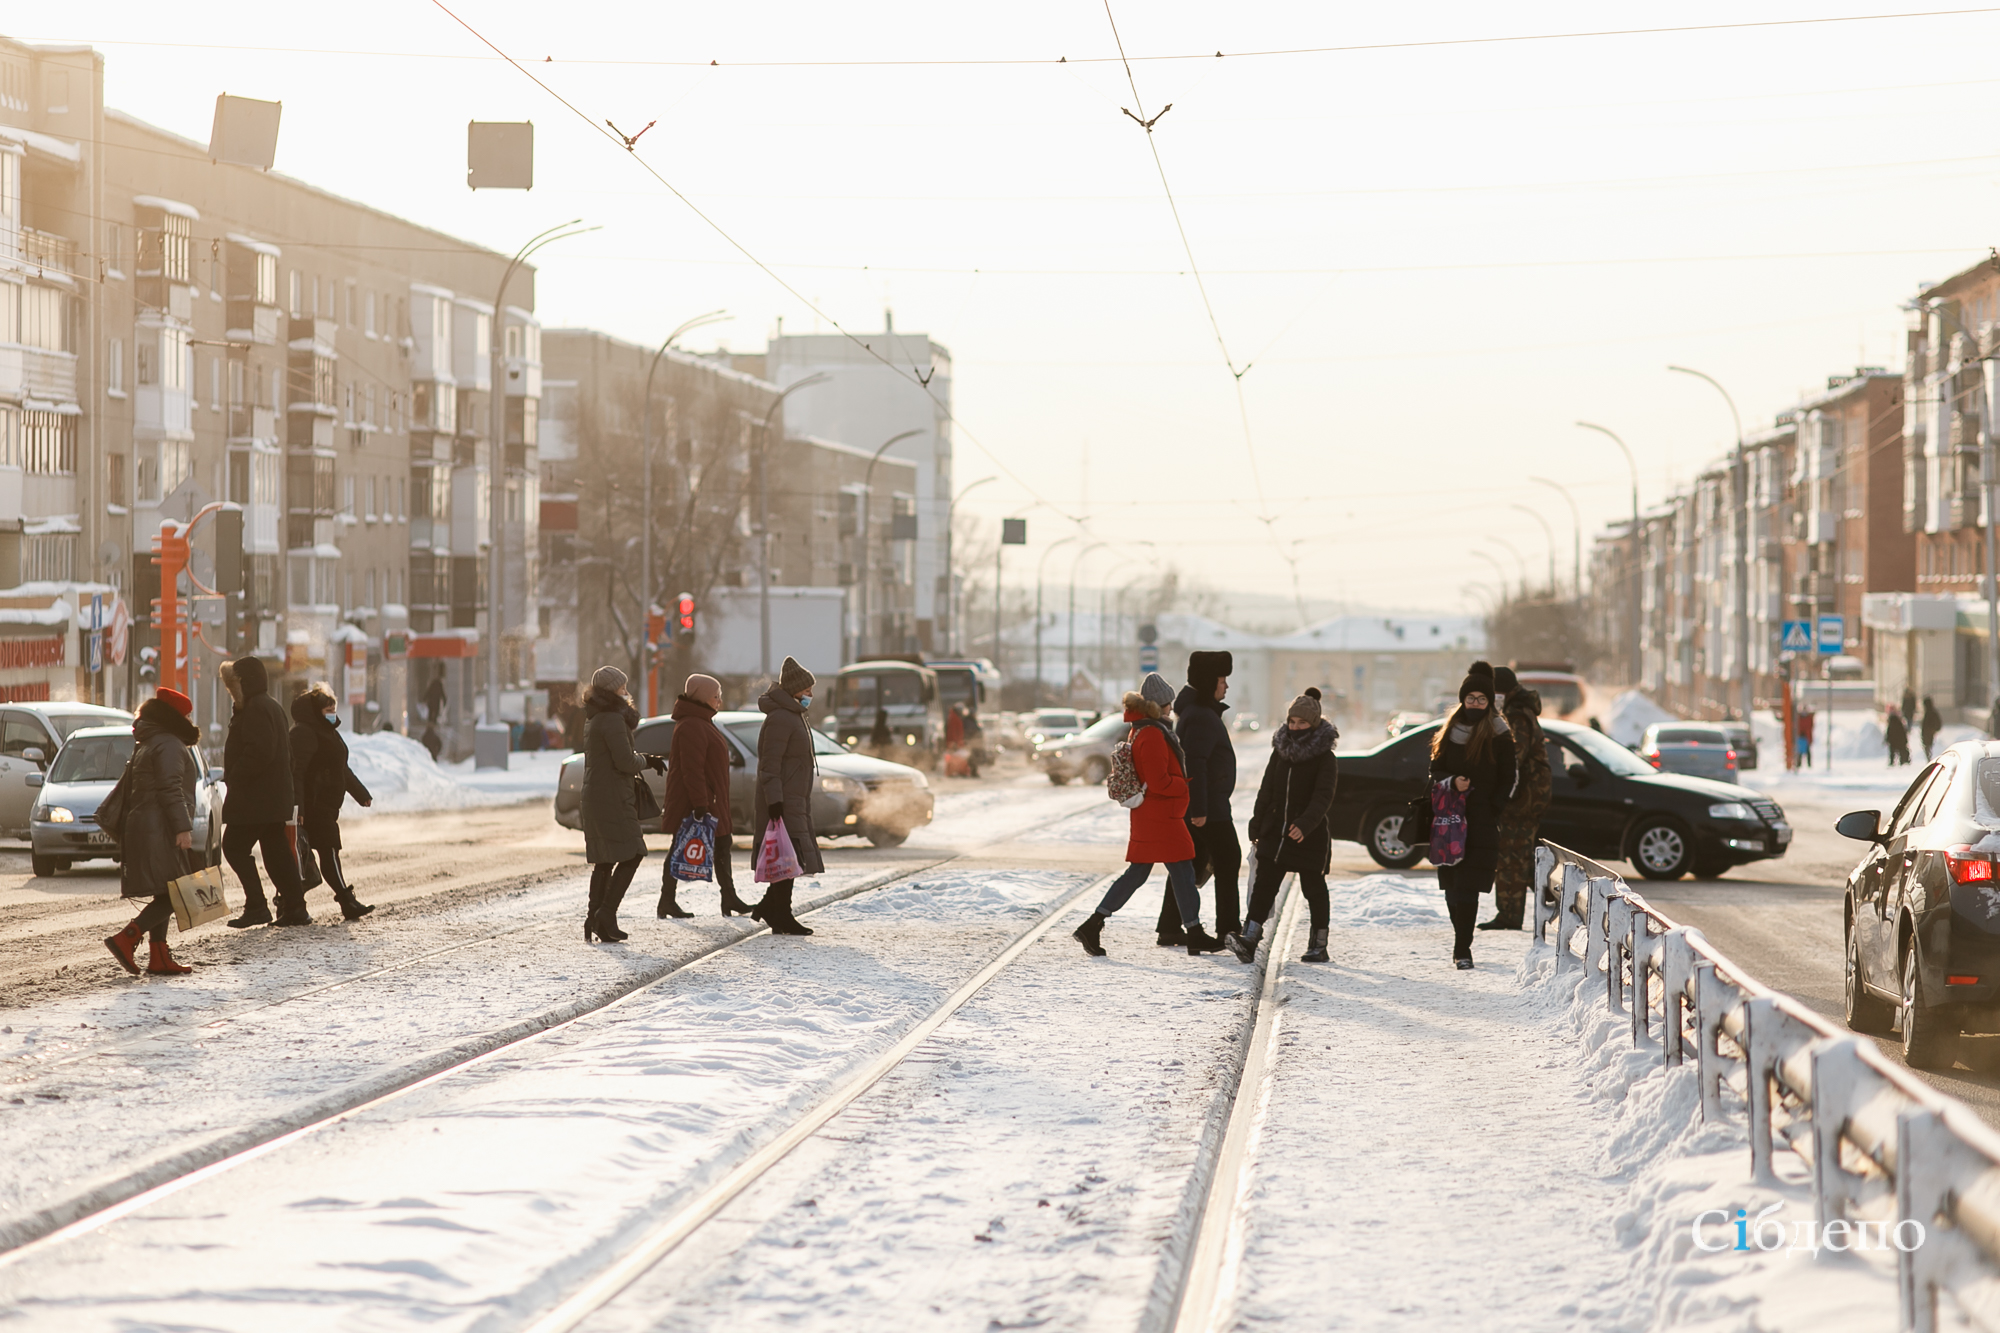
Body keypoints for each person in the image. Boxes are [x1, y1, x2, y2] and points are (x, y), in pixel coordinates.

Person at [1071, 673, 1225, 958]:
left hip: (1153, 815)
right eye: (1168, 703)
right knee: (1178, 871)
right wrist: (1184, 783)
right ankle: (1193, 933)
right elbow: (1159, 781)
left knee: (1154, 873)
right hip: (1160, 816)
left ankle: (1095, 924)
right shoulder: (1153, 733)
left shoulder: (1144, 729)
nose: (1171, 708)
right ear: (1160, 705)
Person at [1226, 688, 1338, 965]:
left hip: (1307, 834)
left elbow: (1323, 797)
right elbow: (1267, 789)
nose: (1296, 727)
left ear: (1313, 723)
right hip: (1276, 831)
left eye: (1302, 722)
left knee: (1313, 888)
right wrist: (1257, 821)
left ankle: (1318, 944)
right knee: (1265, 884)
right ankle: (1249, 939)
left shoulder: (1325, 758)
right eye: (1292, 722)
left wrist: (1305, 824)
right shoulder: (1280, 752)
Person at [103, 689, 201, 977]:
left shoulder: (150, 742)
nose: (188, 719)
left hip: (148, 827)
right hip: (159, 829)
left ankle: (158, 956)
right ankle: (127, 938)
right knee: (173, 894)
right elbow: (171, 789)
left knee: (165, 890)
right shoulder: (169, 744)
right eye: (185, 715)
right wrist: (182, 828)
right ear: (175, 717)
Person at [1429, 661, 1516, 970]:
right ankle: (1460, 938)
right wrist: (1452, 782)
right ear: (1463, 699)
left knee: (1469, 886)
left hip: (1480, 820)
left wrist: (1494, 807)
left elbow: (1509, 777)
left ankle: (1462, 948)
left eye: (1482, 699)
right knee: (1452, 887)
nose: (1476, 704)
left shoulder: (1499, 733)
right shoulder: (1449, 730)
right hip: (1449, 819)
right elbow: (1434, 769)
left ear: (1490, 701)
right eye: (1471, 698)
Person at [219, 655, 307, 928]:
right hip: (271, 797)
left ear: (244, 683)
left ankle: (257, 906)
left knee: (233, 847)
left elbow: (259, 752)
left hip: (255, 799)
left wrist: (235, 775)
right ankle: (295, 907)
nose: (231, 692)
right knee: (276, 853)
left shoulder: (256, 708)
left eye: (233, 686)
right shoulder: (270, 706)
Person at [1160, 650, 1239, 946]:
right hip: (1209, 808)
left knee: (1188, 864)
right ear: (1209, 683)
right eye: (1222, 681)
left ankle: (1169, 926)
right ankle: (1228, 928)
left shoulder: (1198, 713)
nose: (1226, 686)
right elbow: (1195, 763)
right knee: (1228, 859)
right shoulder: (1202, 716)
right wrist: (1200, 808)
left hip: (1204, 805)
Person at [659, 673, 755, 919]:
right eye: (716, 696)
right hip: (698, 801)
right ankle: (668, 900)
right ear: (702, 697)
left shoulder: (701, 721)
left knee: (722, 844)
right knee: (682, 847)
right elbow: (693, 769)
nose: (719, 701)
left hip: (711, 798)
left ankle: (728, 897)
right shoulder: (692, 724)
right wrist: (701, 804)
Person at [581, 665, 658, 943]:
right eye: (622, 687)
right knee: (633, 852)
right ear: (612, 690)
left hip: (598, 796)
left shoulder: (595, 717)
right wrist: (647, 761)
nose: (626, 692)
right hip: (613, 797)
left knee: (604, 860)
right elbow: (624, 761)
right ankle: (606, 913)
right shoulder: (612, 719)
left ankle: (596, 919)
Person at [289, 683, 375, 921]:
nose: (332, 713)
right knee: (324, 853)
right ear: (316, 711)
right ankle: (346, 902)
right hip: (313, 806)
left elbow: (341, 768)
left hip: (325, 805)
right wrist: (299, 808)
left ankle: (291, 905)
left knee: (316, 856)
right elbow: (296, 773)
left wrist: (360, 793)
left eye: (333, 708)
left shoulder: (327, 732)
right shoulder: (303, 733)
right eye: (328, 709)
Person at [756, 656, 823, 936]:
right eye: (807, 690)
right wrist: (775, 800)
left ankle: (772, 908)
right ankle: (779, 913)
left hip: (794, 796)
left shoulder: (792, 715)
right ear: (795, 690)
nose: (810, 695)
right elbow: (769, 764)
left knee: (789, 857)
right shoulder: (782, 718)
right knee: (788, 857)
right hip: (784, 798)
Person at [1483, 666, 1551, 932]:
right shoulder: (1517, 711)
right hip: (1525, 796)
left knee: (1513, 856)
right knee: (1516, 855)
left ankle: (1510, 915)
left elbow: (1512, 757)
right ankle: (1520, 910)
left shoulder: (1517, 716)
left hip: (1523, 798)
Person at [1922, 696, 1944, 761]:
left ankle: (1929, 759)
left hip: (1929, 732)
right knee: (1927, 746)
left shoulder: (1931, 712)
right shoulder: (1930, 712)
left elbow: (1937, 722)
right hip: (1927, 732)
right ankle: (1929, 758)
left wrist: (1934, 729)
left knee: (1928, 745)